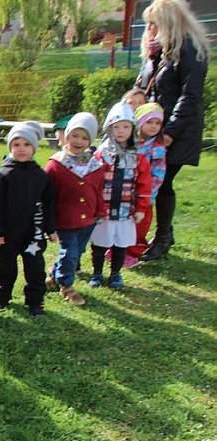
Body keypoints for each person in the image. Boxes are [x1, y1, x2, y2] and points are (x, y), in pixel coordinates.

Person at [135, 0, 209, 262]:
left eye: (155, 23)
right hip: (154, 128)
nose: (151, 28)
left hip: (177, 130)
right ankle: (167, 232)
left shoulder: (189, 49)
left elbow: (190, 95)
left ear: (170, 22)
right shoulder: (159, 51)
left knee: (162, 181)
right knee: (152, 179)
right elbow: (146, 87)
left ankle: (163, 237)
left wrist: (171, 133)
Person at [0, 121, 58, 315]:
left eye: (26, 145)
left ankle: (35, 301)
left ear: (34, 148)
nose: (21, 149)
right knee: (6, 268)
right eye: (16, 144)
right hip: (10, 233)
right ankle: (2, 298)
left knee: (35, 269)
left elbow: (48, 204)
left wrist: (51, 228)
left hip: (33, 233)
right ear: (10, 147)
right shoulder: (4, 174)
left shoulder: (41, 176)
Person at [89, 102, 152, 290]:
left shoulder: (137, 156)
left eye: (125, 126)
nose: (121, 131)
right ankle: (97, 272)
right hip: (104, 210)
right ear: (109, 128)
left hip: (126, 211)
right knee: (100, 243)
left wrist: (141, 208)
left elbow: (143, 185)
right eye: (116, 127)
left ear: (132, 128)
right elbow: (94, 181)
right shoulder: (102, 154)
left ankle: (115, 273)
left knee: (120, 244)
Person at [45, 112, 105, 305]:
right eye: (75, 135)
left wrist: (100, 212)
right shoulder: (56, 164)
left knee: (76, 253)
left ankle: (54, 277)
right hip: (65, 219)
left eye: (85, 137)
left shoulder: (95, 166)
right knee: (70, 253)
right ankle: (67, 286)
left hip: (88, 220)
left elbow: (99, 191)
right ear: (67, 136)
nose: (79, 141)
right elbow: (46, 195)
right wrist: (48, 221)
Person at [128, 102, 167, 263]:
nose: (153, 126)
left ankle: (133, 253)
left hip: (144, 195)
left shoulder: (157, 148)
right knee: (123, 223)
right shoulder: (132, 144)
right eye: (149, 122)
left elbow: (158, 175)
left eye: (157, 123)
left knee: (140, 225)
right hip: (125, 192)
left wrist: (149, 195)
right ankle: (116, 250)